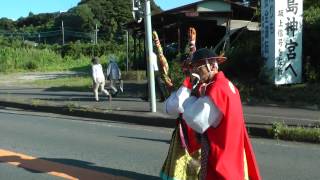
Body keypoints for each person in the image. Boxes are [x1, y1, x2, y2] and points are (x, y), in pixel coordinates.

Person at [164, 48, 261, 180]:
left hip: (221, 156)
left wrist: (192, 94)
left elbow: (196, 121)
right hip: (231, 149)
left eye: (198, 68)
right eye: (193, 68)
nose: (195, 72)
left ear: (212, 66)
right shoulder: (227, 85)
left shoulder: (216, 89)